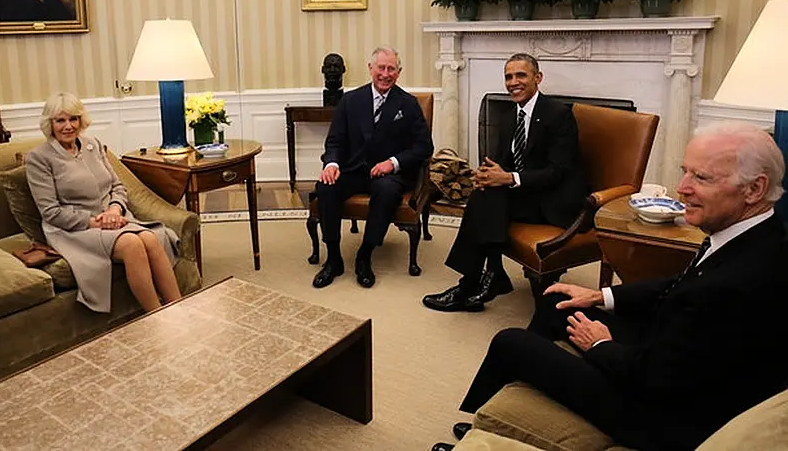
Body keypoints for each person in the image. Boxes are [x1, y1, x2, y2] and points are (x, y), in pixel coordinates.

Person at [431, 122, 788, 451]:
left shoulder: (737, 283)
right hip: (671, 356)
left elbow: (655, 378)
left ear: (754, 189)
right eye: (685, 172)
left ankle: (478, 437)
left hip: (661, 418)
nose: (683, 188)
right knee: (559, 303)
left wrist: (599, 343)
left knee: (510, 342)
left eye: (703, 177)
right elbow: (682, 284)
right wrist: (602, 295)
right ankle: (488, 427)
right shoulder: (758, 236)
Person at [423, 53, 586, 312]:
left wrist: (508, 178)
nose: (513, 82)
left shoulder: (558, 115)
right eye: (508, 77)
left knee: (487, 200)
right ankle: (488, 276)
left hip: (554, 199)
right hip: (525, 193)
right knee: (485, 194)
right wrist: (486, 176)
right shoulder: (509, 116)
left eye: (520, 75)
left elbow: (558, 172)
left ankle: (476, 281)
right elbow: (501, 162)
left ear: (537, 78)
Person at [26, 92, 182, 313]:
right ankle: (157, 316)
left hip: (113, 219)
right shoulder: (39, 158)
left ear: (81, 120)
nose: (68, 126)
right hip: (73, 230)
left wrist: (115, 209)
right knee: (132, 244)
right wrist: (97, 223)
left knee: (151, 237)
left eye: (73, 119)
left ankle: (181, 310)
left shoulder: (93, 144)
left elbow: (117, 187)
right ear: (49, 124)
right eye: (60, 120)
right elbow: (51, 212)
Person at [312, 46, 433, 289]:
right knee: (325, 188)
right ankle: (333, 258)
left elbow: (424, 147)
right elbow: (335, 140)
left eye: (391, 69)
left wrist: (393, 163)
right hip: (353, 170)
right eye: (381, 68)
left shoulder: (407, 104)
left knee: (387, 192)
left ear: (398, 73)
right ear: (371, 68)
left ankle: (365, 255)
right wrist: (332, 163)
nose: (385, 74)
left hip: (389, 175)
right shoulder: (350, 100)